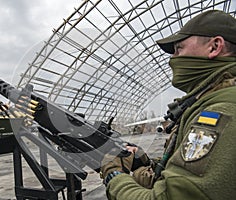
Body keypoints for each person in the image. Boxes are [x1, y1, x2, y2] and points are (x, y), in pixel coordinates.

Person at [100, 10, 236, 200]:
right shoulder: (207, 100)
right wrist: (144, 161)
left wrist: (114, 176)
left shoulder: (222, 111)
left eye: (179, 48)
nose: (173, 58)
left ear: (215, 46)